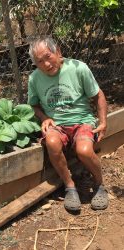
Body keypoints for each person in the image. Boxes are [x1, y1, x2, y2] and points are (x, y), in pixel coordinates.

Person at [28, 37, 108, 211]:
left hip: (82, 121)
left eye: (48, 57)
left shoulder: (78, 68)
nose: (47, 64)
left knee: (84, 151)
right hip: (57, 124)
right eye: (40, 61)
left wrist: (103, 122)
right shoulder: (34, 78)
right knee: (52, 142)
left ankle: (100, 184)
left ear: (58, 52)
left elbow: (98, 95)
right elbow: (33, 104)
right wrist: (43, 117)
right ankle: (70, 186)